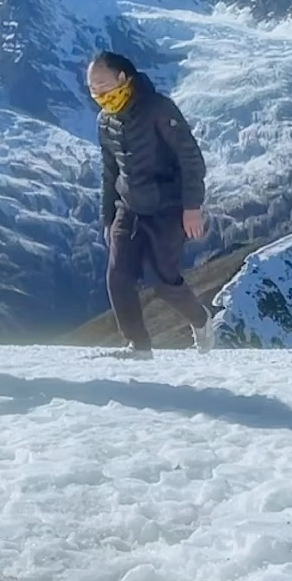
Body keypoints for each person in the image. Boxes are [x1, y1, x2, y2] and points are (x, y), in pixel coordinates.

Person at [89, 51, 216, 359]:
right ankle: (138, 345)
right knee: (118, 276)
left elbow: (191, 159)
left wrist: (192, 206)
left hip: (167, 206)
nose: (98, 93)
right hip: (128, 206)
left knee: (163, 280)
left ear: (122, 78)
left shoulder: (159, 109)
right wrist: (108, 218)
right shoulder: (105, 120)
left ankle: (201, 320)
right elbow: (110, 172)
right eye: (92, 88)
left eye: (103, 85)